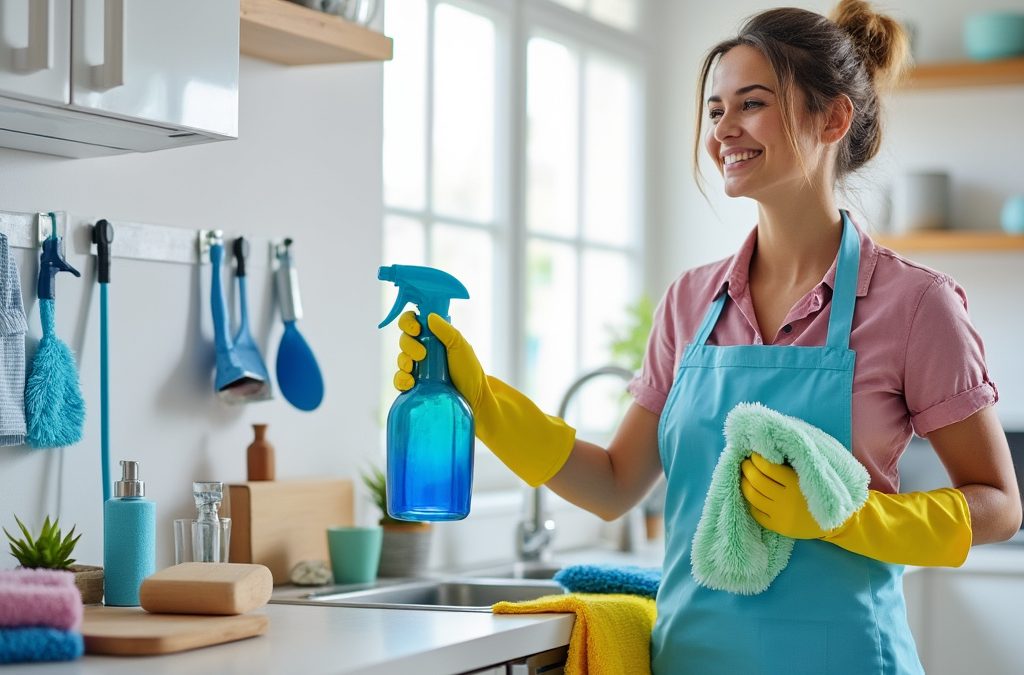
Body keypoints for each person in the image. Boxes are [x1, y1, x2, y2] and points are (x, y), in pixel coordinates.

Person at [391, 1, 1022, 672]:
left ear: (833, 118)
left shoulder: (913, 303)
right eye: (716, 110)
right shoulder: (690, 302)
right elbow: (613, 483)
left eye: (751, 103)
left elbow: (1000, 504)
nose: (724, 129)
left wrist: (853, 517)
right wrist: (484, 402)